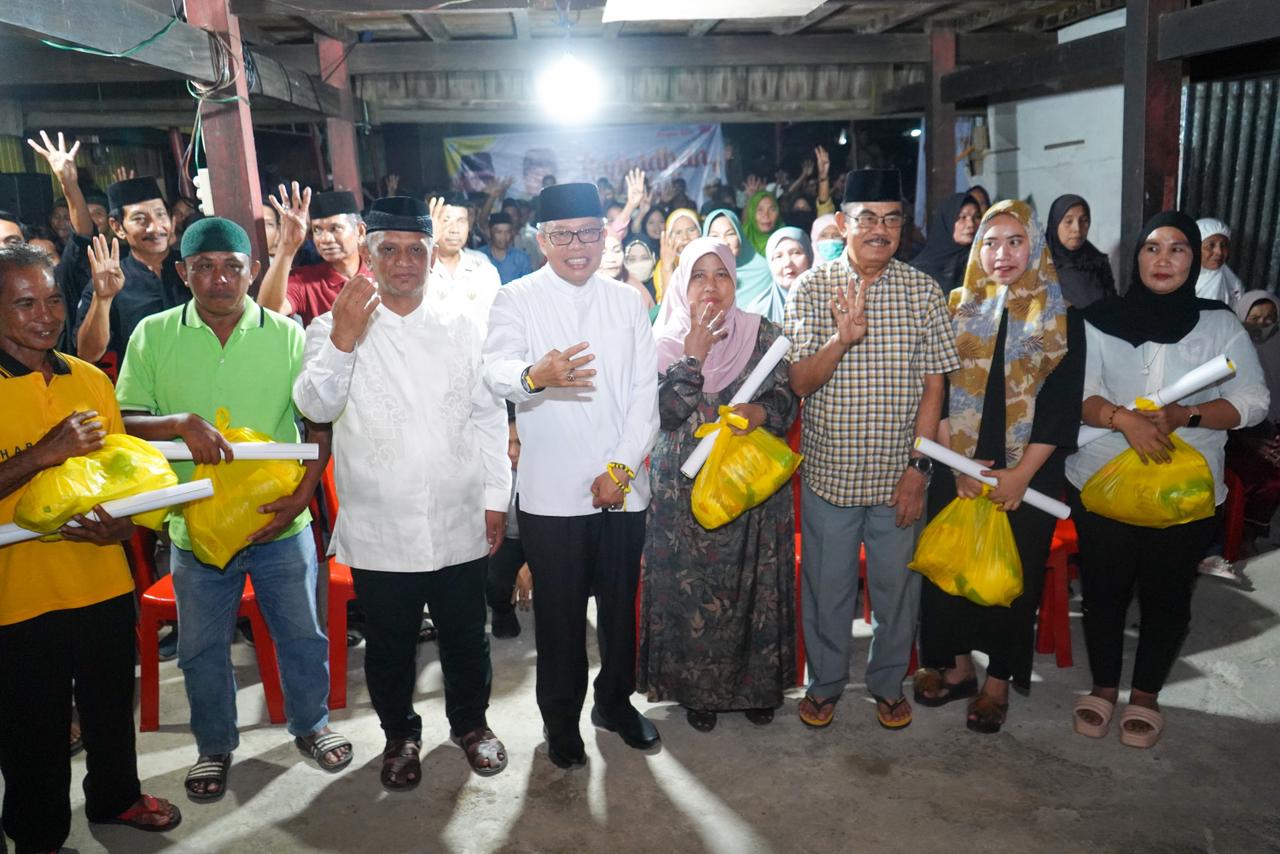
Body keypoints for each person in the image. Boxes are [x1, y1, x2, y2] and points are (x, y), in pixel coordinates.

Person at [115, 217, 351, 801]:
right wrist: (177, 424)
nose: (219, 280)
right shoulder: (153, 333)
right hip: (196, 528)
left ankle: (311, 725)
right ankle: (214, 745)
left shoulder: (288, 335)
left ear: (254, 271)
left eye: (232, 267)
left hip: (280, 520)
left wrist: (303, 495)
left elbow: (317, 421)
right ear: (182, 272)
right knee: (199, 649)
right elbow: (122, 420)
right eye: (204, 267)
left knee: (302, 635)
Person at [294, 196, 511, 789]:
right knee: (390, 647)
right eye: (389, 249)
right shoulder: (333, 322)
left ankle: (471, 725)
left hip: (457, 512)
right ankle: (400, 736)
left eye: (416, 250)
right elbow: (315, 405)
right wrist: (342, 338)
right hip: (381, 524)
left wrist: (496, 497)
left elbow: (489, 417)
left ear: (432, 253)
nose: (404, 262)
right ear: (369, 251)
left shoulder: (462, 322)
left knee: (468, 636)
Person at [0, 245, 181, 852]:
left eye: (52, 299)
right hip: (16, 595)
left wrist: (124, 528)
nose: (44, 316)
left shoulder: (89, 378)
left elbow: (123, 476)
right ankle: (38, 834)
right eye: (24, 303)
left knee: (109, 706)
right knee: (34, 729)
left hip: (101, 579)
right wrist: (45, 452)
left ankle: (116, 797)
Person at [1067, 212, 1267, 748]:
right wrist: (1123, 418)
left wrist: (1188, 416)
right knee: (1105, 592)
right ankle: (1104, 688)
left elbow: (1254, 401)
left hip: (1187, 486)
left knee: (1168, 596)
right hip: (1103, 478)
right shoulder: (1099, 318)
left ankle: (1147, 694)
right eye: (1152, 248)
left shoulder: (1219, 322)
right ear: (1135, 257)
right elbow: (1078, 396)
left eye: (1178, 249)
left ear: (1194, 258)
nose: (1163, 260)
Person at [482, 182, 660, 769]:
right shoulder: (516, 298)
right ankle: (561, 723)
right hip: (552, 494)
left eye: (589, 232)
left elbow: (643, 399)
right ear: (542, 240)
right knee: (558, 620)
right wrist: (536, 375)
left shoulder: (629, 301)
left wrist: (618, 469)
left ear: (605, 234)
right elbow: (498, 372)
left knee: (618, 609)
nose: (577, 245)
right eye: (563, 235)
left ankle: (614, 703)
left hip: (621, 487)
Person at [784, 169, 960, 730]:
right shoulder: (812, 289)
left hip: (897, 478)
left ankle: (888, 684)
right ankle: (827, 683)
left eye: (891, 219)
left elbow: (936, 384)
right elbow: (799, 383)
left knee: (896, 594)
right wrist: (842, 339)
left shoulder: (922, 290)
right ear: (843, 223)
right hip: (830, 478)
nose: (879, 230)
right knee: (826, 591)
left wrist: (919, 467)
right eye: (867, 218)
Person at [914, 200, 1084, 735]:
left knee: (1013, 576)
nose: (1001, 254)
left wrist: (1018, 476)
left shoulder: (1059, 318)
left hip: (1026, 472)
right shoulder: (956, 306)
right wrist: (958, 464)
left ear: (1035, 245)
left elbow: (1060, 410)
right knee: (952, 569)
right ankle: (959, 666)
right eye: (990, 242)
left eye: (1015, 241)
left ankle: (997, 683)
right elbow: (934, 392)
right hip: (958, 462)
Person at [640, 237, 799, 732]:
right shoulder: (662, 340)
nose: (711, 287)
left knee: (754, 585)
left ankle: (758, 687)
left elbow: (787, 402)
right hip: (683, 489)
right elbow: (664, 414)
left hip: (750, 487)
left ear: (736, 281)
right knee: (693, 589)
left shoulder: (764, 333)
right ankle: (695, 692)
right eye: (698, 276)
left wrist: (760, 412)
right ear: (681, 284)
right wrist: (693, 357)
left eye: (722, 275)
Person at [74, 177, 186, 372]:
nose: (154, 227)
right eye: (140, 219)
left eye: (161, 215)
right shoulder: (109, 278)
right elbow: (88, 354)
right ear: (118, 227)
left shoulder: (194, 268)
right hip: (142, 394)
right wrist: (103, 299)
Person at [258, 185, 370, 328]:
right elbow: (267, 314)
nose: (325, 239)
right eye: (317, 230)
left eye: (335, 228)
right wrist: (287, 247)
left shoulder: (382, 276)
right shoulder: (305, 282)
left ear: (360, 232)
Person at [1225, 291, 1280, 551]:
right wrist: (1249, 442)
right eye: (1254, 318)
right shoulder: (1229, 353)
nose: (1262, 325)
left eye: (1270, 319)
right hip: (1236, 438)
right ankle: (1239, 539)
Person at [487, 404, 533, 639]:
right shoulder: (490, 470)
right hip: (509, 540)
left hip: (543, 539)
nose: (513, 452)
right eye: (507, 443)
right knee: (494, 581)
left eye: (519, 443)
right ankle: (503, 611)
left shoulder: (546, 470)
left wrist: (532, 566)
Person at [426, 195, 501, 328]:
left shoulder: (484, 269)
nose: (454, 230)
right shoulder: (418, 268)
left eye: (461, 221)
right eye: (446, 221)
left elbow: (498, 321)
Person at [703, 208, 779, 321]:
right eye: (715, 236)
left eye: (730, 234)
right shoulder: (699, 277)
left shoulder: (765, 271)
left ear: (740, 236)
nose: (723, 242)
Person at [1044, 194, 1115, 308]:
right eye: (1068, 221)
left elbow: (1112, 305)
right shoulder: (1037, 265)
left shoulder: (1097, 262)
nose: (1077, 229)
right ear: (1055, 224)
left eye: (1084, 220)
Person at [909, 192, 980, 294]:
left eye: (977, 216)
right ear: (947, 221)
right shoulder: (918, 272)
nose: (971, 224)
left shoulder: (981, 262)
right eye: (962, 217)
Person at [1193, 217, 1245, 308]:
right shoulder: (1177, 280)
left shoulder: (1234, 285)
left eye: (1224, 245)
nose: (1219, 252)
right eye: (1211, 245)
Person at [656, 208, 701, 304]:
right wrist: (667, 268)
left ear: (700, 232)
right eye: (678, 233)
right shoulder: (664, 264)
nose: (685, 237)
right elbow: (665, 308)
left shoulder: (711, 259)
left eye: (691, 230)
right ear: (669, 238)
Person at [481, 212, 533, 285]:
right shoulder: (479, 256)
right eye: (499, 232)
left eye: (507, 232)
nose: (504, 237)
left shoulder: (521, 258)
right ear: (489, 232)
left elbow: (528, 286)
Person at [765, 226, 813, 300]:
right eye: (778, 256)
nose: (787, 263)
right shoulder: (759, 309)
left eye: (795, 253)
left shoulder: (829, 302)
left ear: (809, 256)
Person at [621, 238, 658, 313]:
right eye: (631, 259)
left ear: (653, 258)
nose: (639, 264)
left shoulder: (662, 286)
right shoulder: (619, 292)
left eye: (644, 258)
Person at [742, 189, 780, 257]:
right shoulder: (741, 239)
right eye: (760, 210)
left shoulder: (786, 239)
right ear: (751, 213)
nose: (766, 215)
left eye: (772, 209)